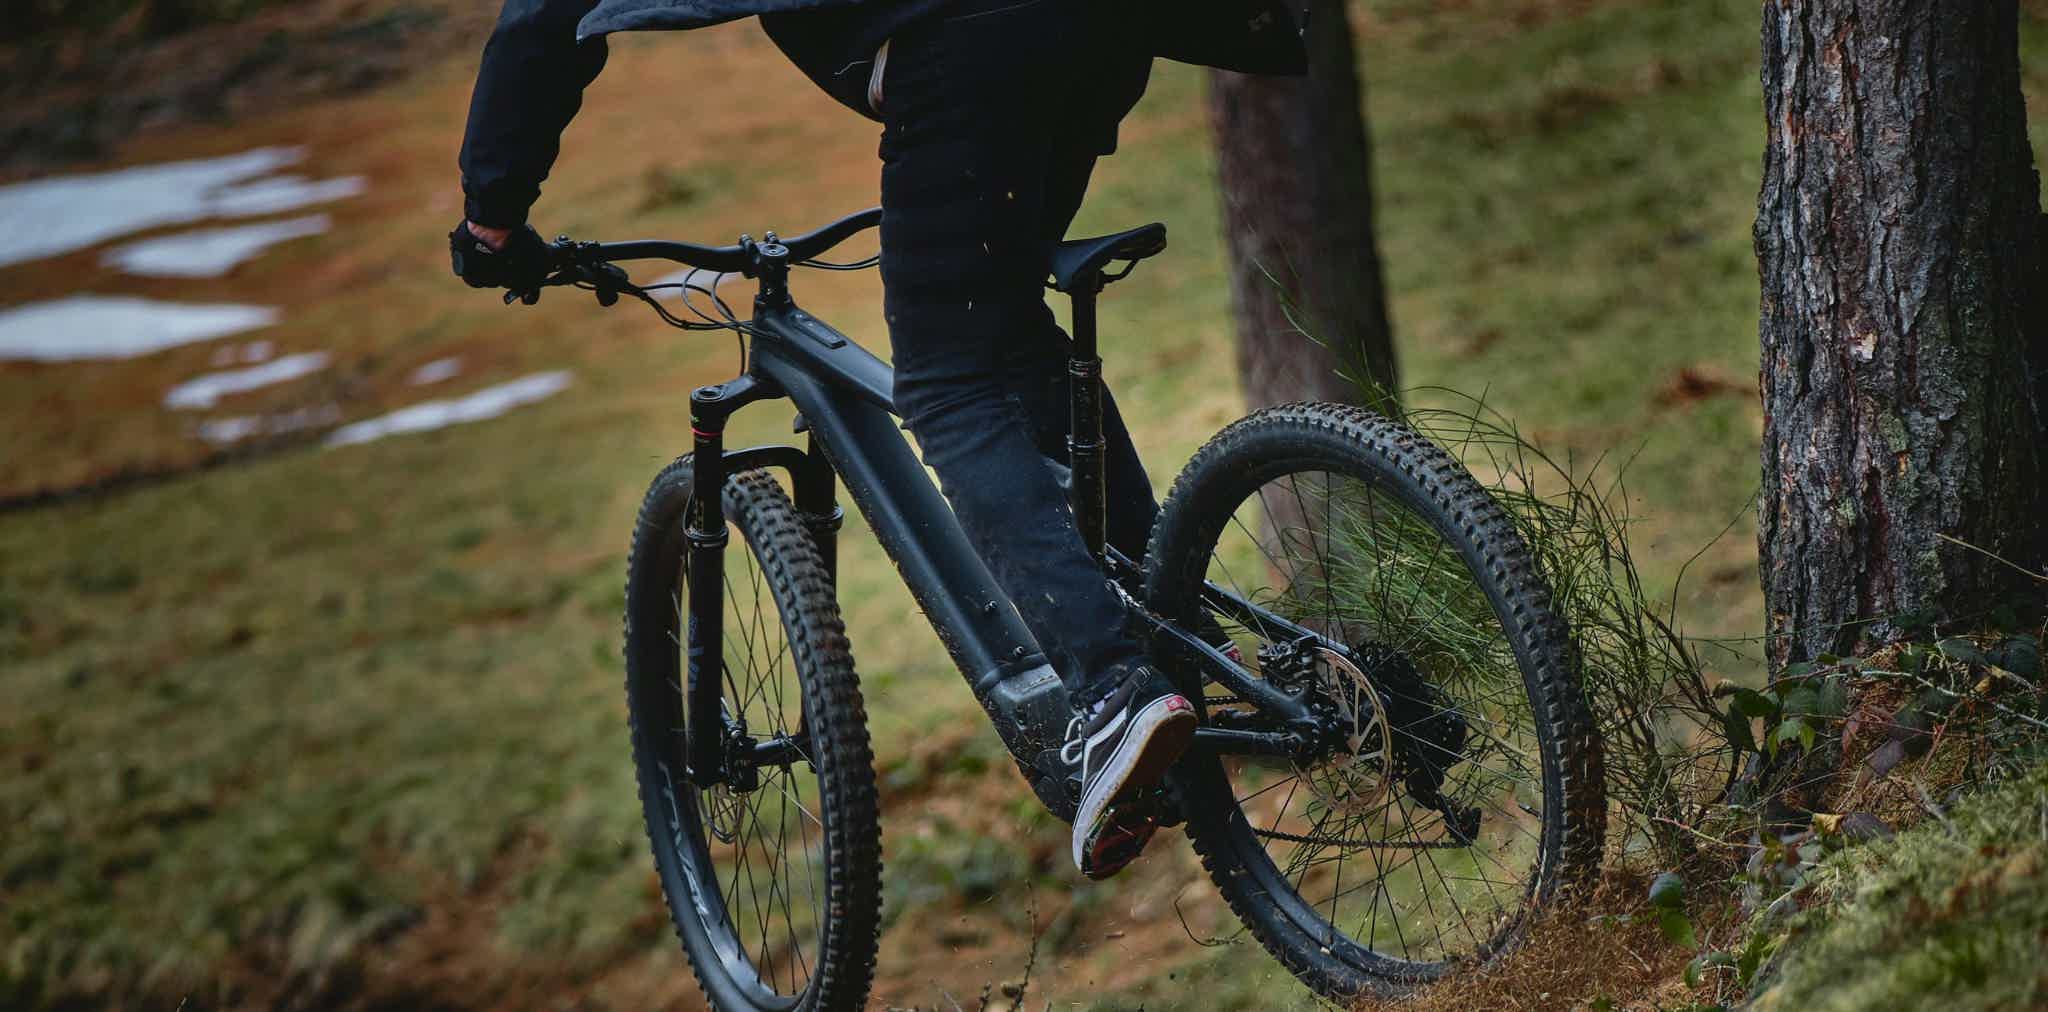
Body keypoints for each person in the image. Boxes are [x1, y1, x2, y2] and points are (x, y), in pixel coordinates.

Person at [449, 0, 1305, 880]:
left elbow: (545, 16)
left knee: (949, 386)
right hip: (1102, 28)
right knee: (1005, 331)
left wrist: (492, 219)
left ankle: (1114, 693)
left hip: (971, 32)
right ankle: (1180, 641)